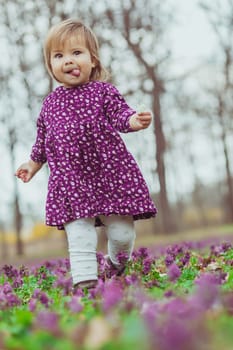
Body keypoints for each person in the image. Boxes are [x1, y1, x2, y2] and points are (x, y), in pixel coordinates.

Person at [15, 19, 157, 290]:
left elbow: (120, 114)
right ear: (51, 65)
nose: (68, 61)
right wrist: (33, 164)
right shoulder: (50, 103)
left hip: (110, 175)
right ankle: (86, 286)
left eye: (76, 53)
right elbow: (43, 139)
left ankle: (115, 265)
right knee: (80, 238)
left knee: (122, 233)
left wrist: (133, 121)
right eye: (59, 56)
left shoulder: (103, 92)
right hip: (71, 181)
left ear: (93, 60)